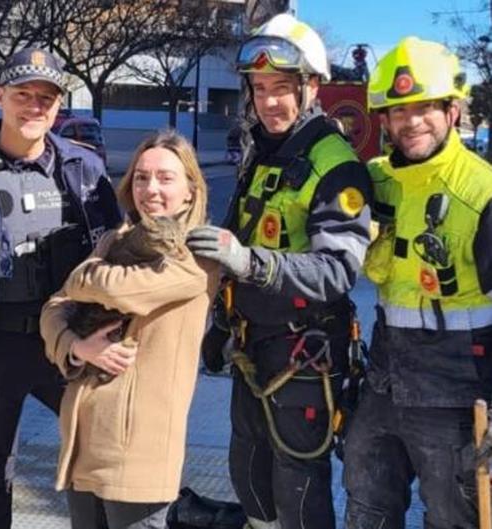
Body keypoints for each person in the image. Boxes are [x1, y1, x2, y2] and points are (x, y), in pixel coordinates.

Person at [0, 47, 121, 529]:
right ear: (0, 96)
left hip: (70, 345)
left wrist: (111, 339)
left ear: (59, 106)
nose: (34, 107)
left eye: (46, 97)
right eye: (23, 95)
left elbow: (119, 262)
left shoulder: (83, 169)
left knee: (100, 461)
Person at [186, 13, 373, 529]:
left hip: (303, 354)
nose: (269, 102)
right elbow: (239, 237)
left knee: (298, 488)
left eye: (283, 88)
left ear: (310, 87)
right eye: (260, 88)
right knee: (249, 477)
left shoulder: (334, 164)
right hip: (252, 346)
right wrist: (220, 326)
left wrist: (248, 263)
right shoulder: (262, 152)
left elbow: (337, 270)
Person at [344, 37, 492, 529]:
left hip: (459, 386)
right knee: (366, 503)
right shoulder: (374, 178)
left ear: (452, 110)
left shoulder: (482, 190)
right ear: (383, 119)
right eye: (398, 110)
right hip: (383, 377)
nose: (411, 122)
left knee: (454, 516)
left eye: (425, 107)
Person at [40, 130, 219, 529]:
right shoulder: (112, 239)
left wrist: (82, 277)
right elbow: (54, 308)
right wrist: (76, 347)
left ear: (191, 190)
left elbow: (123, 291)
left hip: (137, 454)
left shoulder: (197, 252)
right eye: (141, 177)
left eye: (165, 178)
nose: (150, 188)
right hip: (81, 444)